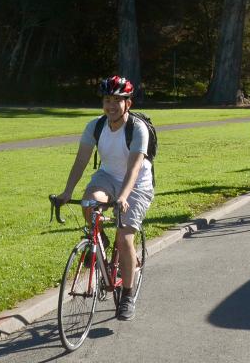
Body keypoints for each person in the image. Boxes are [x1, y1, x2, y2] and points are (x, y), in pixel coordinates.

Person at [56, 76, 153, 321]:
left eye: (117, 101)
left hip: (137, 183)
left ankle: (127, 295)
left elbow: (134, 167)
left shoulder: (137, 129)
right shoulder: (95, 126)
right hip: (107, 176)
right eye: (107, 99)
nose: (111, 105)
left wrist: (123, 196)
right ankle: (100, 240)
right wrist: (67, 192)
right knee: (89, 202)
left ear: (128, 104)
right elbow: (81, 160)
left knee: (125, 238)